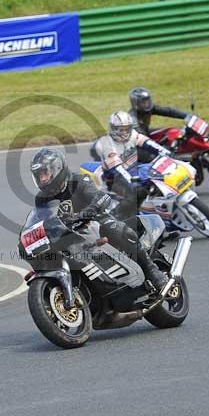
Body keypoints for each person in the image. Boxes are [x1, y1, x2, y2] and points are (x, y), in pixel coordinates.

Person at [30, 147, 169, 292]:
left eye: (45, 173)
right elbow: (41, 221)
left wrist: (86, 212)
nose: (43, 179)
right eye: (39, 176)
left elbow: (100, 197)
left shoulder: (78, 180)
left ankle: (152, 271)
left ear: (57, 168)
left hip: (95, 223)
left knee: (114, 228)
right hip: (69, 235)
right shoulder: (41, 198)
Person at [92, 111, 177, 220]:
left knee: (162, 175)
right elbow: (117, 168)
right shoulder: (105, 145)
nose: (124, 132)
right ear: (112, 128)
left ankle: (161, 208)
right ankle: (116, 215)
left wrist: (165, 152)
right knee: (138, 192)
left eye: (127, 128)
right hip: (115, 179)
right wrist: (131, 181)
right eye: (120, 129)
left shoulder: (133, 134)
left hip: (135, 169)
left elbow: (148, 143)